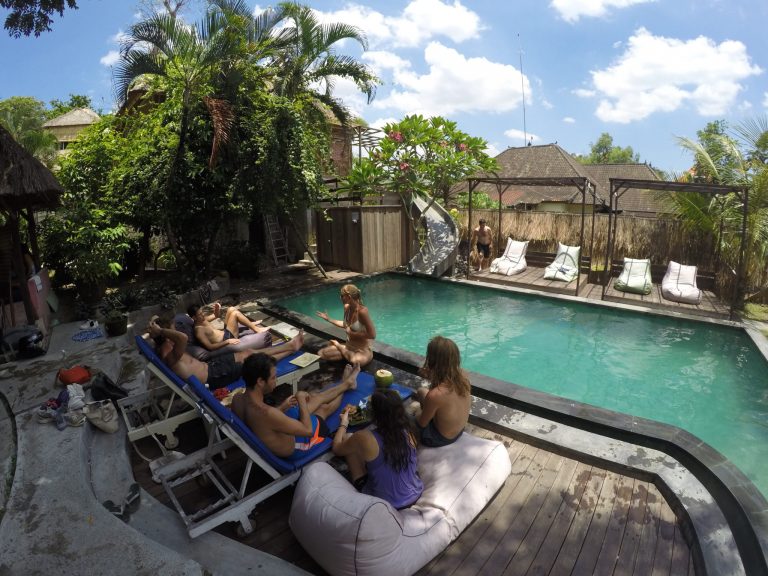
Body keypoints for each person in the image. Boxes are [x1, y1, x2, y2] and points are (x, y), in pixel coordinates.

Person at [231, 354, 359, 460]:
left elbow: (261, 423)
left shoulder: (237, 400)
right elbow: (308, 431)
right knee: (322, 409)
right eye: (273, 377)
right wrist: (301, 399)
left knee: (316, 398)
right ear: (260, 381)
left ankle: (346, 383)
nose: (276, 381)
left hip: (277, 430)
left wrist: (282, 407)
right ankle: (346, 384)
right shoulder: (268, 413)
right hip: (299, 445)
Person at [148, 317, 302, 390]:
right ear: (167, 335)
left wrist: (158, 331)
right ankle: (290, 348)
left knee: (247, 351)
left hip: (212, 367)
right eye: (174, 329)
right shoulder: (169, 354)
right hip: (214, 377)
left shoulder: (167, 348)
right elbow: (183, 338)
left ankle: (289, 346)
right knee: (254, 362)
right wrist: (160, 330)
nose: (177, 331)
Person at [333, 388, 424, 509]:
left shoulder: (363, 437)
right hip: (416, 492)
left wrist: (343, 424)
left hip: (386, 504)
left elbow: (337, 449)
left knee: (348, 438)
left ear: (374, 413)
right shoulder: (408, 429)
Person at [414, 336, 471, 447]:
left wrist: (416, 417)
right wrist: (432, 376)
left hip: (440, 439)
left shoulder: (435, 395)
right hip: (458, 432)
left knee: (408, 418)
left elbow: (421, 424)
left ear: (431, 360)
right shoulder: (464, 378)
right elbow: (446, 394)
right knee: (421, 391)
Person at [316, 284, 376, 366]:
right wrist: (329, 319)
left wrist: (352, 333)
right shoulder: (347, 308)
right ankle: (346, 353)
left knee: (356, 361)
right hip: (348, 347)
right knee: (321, 353)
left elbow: (372, 335)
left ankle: (339, 347)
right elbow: (345, 324)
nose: (340, 298)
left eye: (342, 296)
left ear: (348, 297)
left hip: (362, 350)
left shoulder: (362, 311)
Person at [188, 302, 268, 351]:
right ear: (194, 318)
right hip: (226, 339)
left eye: (202, 313)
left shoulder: (202, 319)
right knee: (235, 314)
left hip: (225, 332)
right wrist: (228, 341)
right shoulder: (199, 331)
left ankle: (250, 324)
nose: (203, 315)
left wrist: (216, 309)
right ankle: (257, 329)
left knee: (231, 309)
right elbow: (210, 347)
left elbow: (216, 315)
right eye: (200, 314)